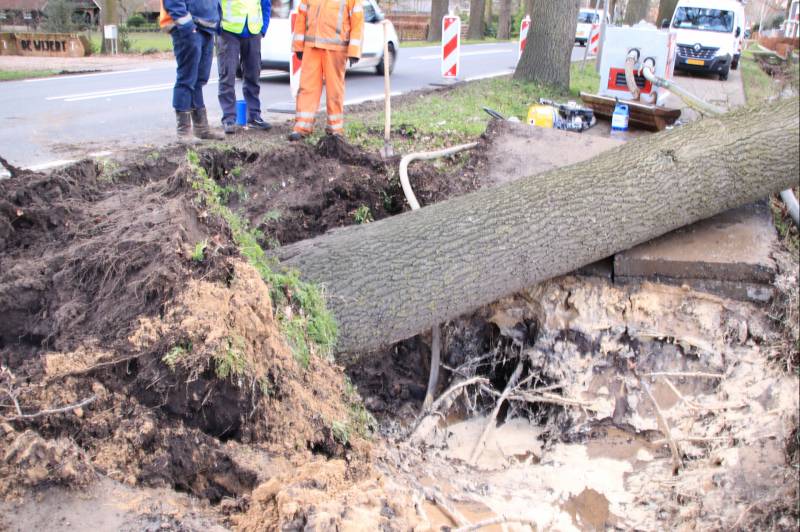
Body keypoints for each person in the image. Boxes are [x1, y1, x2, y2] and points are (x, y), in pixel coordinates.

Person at [288, 0, 364, 141]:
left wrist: (354, 50)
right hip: (312, 47)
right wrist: (298, 45)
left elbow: (357, 20)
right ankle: (302, 127)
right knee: (307, 88)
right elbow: (301, 16)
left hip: (336, 49)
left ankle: (335, 129)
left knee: (334, 90)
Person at [160, 0, 222, 142]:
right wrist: (187, 26)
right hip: (189, 29)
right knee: (187, 78)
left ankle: (201, 128)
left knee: (199, 80)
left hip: (206, 27)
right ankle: (184, 131)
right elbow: (173, 3)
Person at [217, 0, 272, 134]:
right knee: (227, 75)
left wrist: (263, 29)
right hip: (229, 31)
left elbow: (266, 4)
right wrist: (218, 27)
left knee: (253, 75)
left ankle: (254, 116)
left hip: (253, 32)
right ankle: (229, 119)